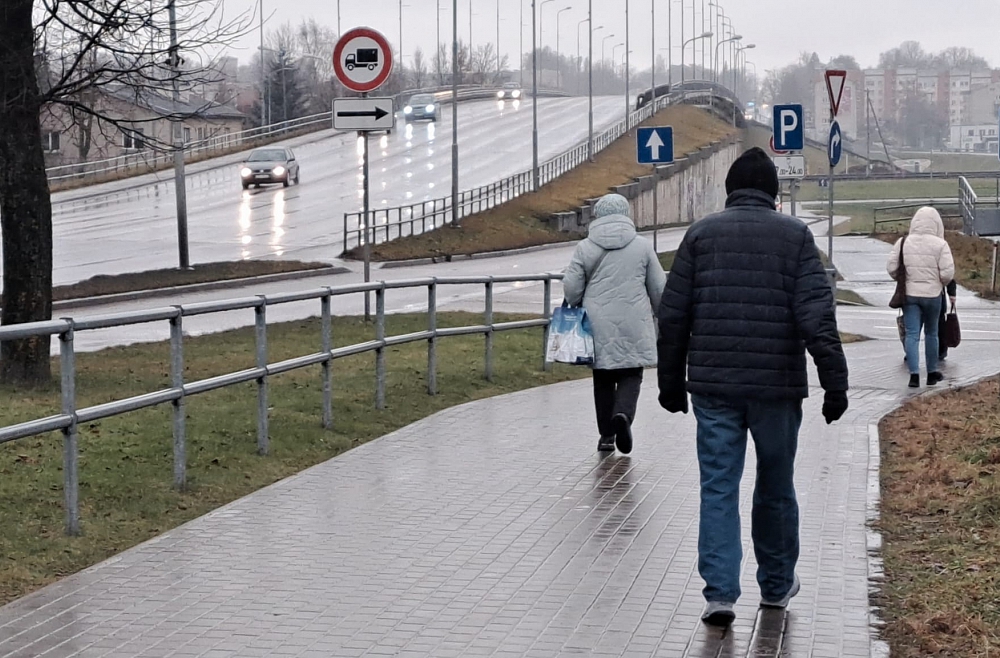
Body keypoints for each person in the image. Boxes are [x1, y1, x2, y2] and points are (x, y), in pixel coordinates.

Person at [656, 147, 849, 627]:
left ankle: (720, 593)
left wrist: (669, 382)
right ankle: (777, 585)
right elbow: (816, 316)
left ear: (729, 191)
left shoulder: (700, 235)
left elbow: (673, 316)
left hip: (714, 385)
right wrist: (834, 382)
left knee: (718, 485)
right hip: (777, 388)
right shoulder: (796, 237)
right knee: (776, 485)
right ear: (773, 192)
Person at [564, 193, 666, 455]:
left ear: (597, 216)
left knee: (603, 378)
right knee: (632, 373)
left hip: (597, 324)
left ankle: (607, 435)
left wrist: (579, 298)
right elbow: (658, 289)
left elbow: (572, 291)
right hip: (635, 322)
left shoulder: (585, 247)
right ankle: (623, 414)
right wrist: (661, 316)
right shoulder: (642, 246)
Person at [887, 207, 955, 388]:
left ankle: (914, 376)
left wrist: (902, 279)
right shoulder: (940, 245)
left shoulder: (903, 242)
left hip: (910, 295)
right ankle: (932, 373)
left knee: (912, 335)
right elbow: (948, 274)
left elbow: (892, 268)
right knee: (932, 333)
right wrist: (938, 282)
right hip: (933, 295)